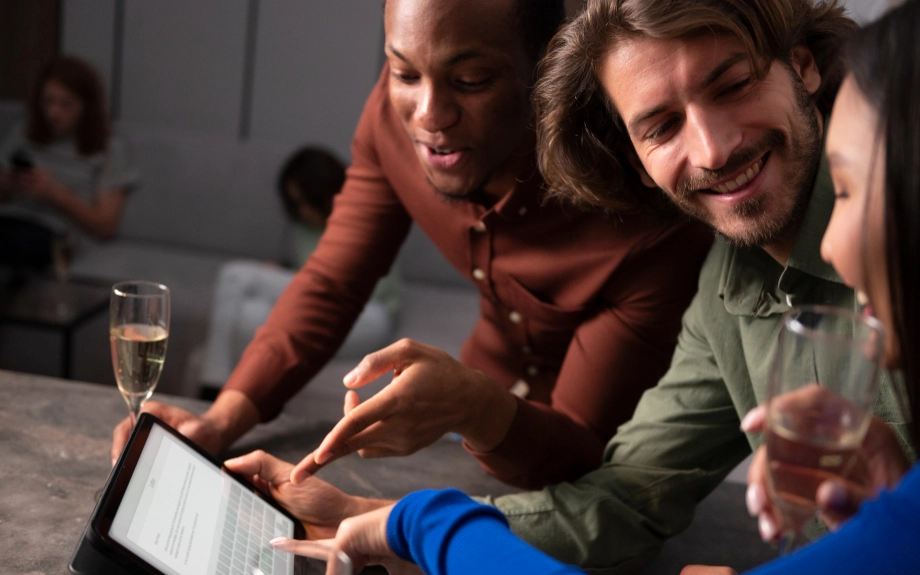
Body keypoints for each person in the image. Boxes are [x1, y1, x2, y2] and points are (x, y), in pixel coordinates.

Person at [240, 0, 920, 575]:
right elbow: (627, 498)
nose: (713, 148)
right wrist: (377, 524)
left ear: (801, 67)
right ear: (636, 160)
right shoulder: (723, 290)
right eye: (661, 125)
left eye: (732, 85)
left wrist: (425, 525)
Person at [111, 0, 713, 491]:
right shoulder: (392, 120)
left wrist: (472, 407)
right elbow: (333, 281)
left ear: (549, 67)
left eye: (470, 81)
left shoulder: (644, 212)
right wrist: (221, 421)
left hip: (597, 473)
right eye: (404, 73)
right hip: (464, 433)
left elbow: (581, 448)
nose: (429, 114)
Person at [198, 147, 400, 398]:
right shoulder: (303, 229)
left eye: (307, 201)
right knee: (249, 315)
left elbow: (363, 287)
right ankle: (242, 397)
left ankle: (211, 386)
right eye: (295, 204)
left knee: (235, 276)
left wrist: (297, 279)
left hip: (367, 314)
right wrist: (284, 273)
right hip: (321, 303)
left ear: (324, 193)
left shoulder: (365, 216)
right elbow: (311, 275)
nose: (302, 210)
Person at [0, 55, 139, 271]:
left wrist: (54, 193)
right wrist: (9, 182)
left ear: (86, 106)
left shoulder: (111, 146)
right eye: (48, 101)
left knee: (18, 245)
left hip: (56, 233)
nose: (53, 112)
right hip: (9, 217)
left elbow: (105, 227)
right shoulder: (23, 129)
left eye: (66, 104)